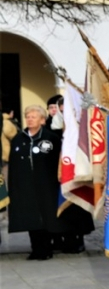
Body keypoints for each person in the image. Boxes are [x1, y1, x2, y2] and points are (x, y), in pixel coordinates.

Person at [7, 105, 65, 260]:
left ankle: (47, 248)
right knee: (30, 217)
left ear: (42, 120)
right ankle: (36, 248)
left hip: (47, 185)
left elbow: (58, 162)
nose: (30, 119)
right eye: (28, 117)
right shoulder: (19, 139)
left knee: (46, 216)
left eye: (34, 117)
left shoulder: (50, 138)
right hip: (25, 185)